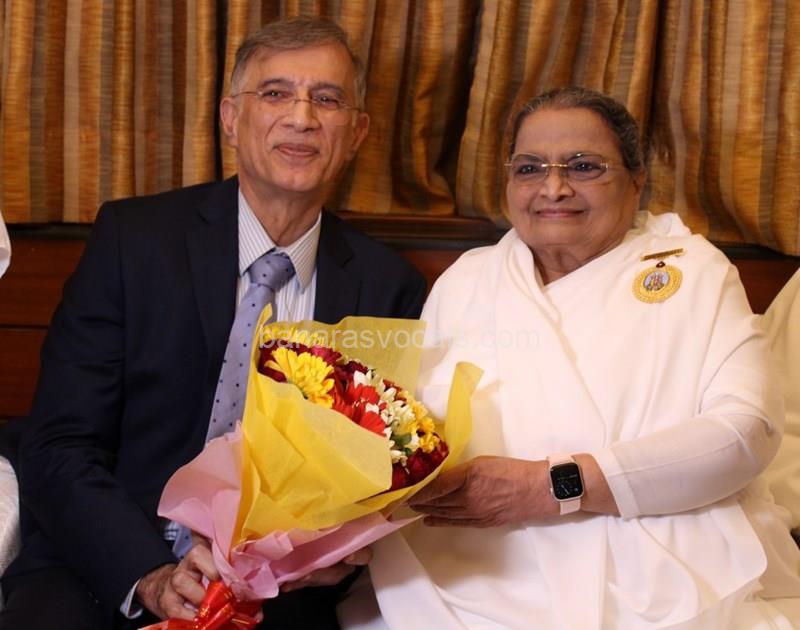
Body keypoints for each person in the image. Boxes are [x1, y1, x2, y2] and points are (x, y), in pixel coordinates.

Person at [0, 16, 426, 630]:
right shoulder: (133, 241)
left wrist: (334, 554)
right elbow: (60, 443)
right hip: (102, 563)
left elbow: (375, 475)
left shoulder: (387, 287)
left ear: (356, 131)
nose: (302, 117)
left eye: (327, 99)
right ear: (230, 118)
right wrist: (149, 573)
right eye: (275, 93)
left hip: (277, 593)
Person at [337, 87, 800, 629]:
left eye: (583, 166)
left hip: (659, 565)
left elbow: (748, 430)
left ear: (636, 179)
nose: (553, 187)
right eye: (529, 168)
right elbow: (406, 430)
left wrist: (551, 488)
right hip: (466, 569)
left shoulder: (693, 270)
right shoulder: (468, 278)